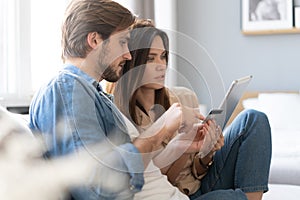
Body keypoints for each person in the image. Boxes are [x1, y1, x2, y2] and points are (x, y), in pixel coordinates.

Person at [28, 1, 187, 199]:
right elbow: (98, 188)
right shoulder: (67, 89)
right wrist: (156, 134)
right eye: (122, 42)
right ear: (94, 40)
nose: (128, 55)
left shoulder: (91, 93)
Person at [114, 19, 272, 200]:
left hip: (204, 183)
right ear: (133, 62)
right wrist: (182, 148)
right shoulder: (125, 118)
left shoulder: (184, 98)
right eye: (151, 58)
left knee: (253, 118)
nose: (161, 65)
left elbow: (198, 169)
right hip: (178, 194)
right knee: (228, 197)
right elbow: (163, 184)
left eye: (163, 56)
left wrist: (208, 152)